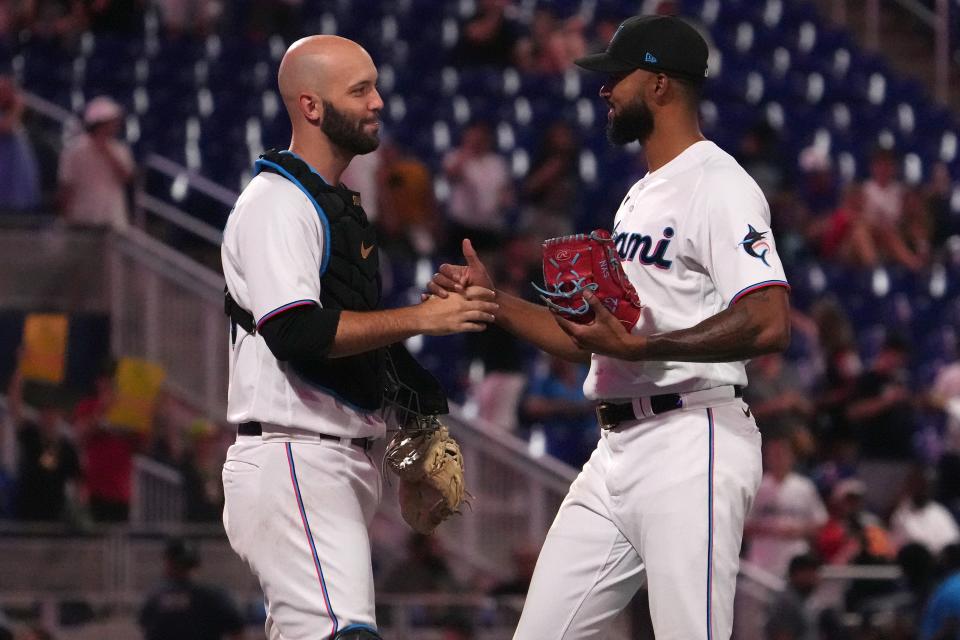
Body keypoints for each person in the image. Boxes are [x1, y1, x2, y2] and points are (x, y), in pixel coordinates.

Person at [429, 15, 791, 640]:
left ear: (659, 86)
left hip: (692, 437)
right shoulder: (640, 196)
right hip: (617, 447)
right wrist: (495, 302)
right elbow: (588, 344)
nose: (604, 89)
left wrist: (646, 346)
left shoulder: (720, 184)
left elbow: (769, 320)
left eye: (615, 76)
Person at [219, 35, 497, 640]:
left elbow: (356, 337)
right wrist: (423, 320)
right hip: (293, 453)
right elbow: (295, 330)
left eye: (375, 85)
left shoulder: (335, 207)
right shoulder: (277, 203)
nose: (377, 102)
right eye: (360, 89)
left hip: (329, 457)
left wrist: (410, 416)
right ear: (312, 106)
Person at [745, 437, 828, 578]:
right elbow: (742, 526)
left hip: (795, 557)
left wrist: (798, 530)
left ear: (792, 457)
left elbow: (821, 523)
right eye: (774, 455)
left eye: (783, 454)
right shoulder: (757, 486)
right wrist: (770, 528)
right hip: (762, 558)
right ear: (766, 458)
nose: (779, 459)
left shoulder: (804, 486)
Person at [139, 537, 246, 640]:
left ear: (168, 563)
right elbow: (237, 630)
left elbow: (145, 627)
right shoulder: (213, 596)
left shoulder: (155, 598)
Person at [57, 95, 135, 231]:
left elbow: (126, 177)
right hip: (82, 219)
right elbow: (66, 185)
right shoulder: (74, 150)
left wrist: (107, 152)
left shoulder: (120, 150)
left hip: (112, 220)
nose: (116, 125)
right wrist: (65, 217)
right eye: (111, 121)